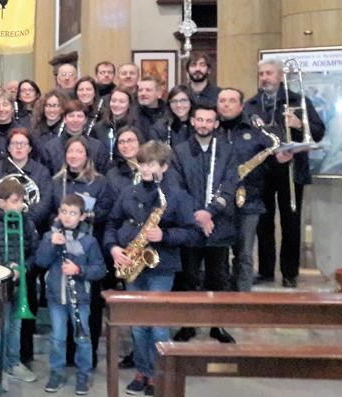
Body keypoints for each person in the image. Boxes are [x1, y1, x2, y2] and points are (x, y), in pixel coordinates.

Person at [104, 141, 197, 396]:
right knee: (137, 325)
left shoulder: (176, 196)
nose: (145, 169)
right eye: (143, 163)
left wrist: (164, 235)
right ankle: (142, 371)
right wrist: (113, 247)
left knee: (157, 325)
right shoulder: (128, 192)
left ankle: (159, 374)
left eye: (152, 164)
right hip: (132, 263)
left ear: (164, 167)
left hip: (161, 266)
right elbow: (112, 223)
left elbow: (192, 234)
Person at [244, 58, 325, 288]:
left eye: (269, 73)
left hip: (291, 169)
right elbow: (247, 138)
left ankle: (290, 272)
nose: (265, 78)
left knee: (291, 222)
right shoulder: (251, 105)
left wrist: (299, 125)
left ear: (280, 76)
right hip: (262, 171)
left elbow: (318, 132)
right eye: (261, 74)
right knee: (264, 223)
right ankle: (267, 270)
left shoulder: (298, 100)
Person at [170, 104, 238, 344]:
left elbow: (230, 185)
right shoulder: (178, 152)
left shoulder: (228, 150)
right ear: (192, 121)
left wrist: (210, 212)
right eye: (199, 120)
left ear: (216, 124)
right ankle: (187, 325)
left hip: (219, 225)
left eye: (209, 121)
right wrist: (196, 216)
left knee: (218, 278)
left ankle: (217, 325)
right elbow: (177, 189)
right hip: (190, 227)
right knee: (188, 277)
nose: (204, 125)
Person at [35, 193, 106, 395]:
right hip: (56, 298)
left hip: (80, 298)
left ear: (82, 216)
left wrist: (78, 270)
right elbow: (41, 262)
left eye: (73, 213)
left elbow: (99, 269)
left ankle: (83, 374)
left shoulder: (89, 241)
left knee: (82, 338)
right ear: (58, 213)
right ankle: (56, 372)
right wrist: (51, 245)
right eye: (64, 212)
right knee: (57, 338)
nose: (67, 217)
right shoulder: (50, 236)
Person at [0, 178, 39, 384]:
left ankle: (14, 363)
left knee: (16, 327)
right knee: (0, 329)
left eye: (21, 201)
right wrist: (5, 271)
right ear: (1, 203)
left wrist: (23, 268)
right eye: (13, 201)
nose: (19, 205)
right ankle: (0, 364)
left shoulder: (27, 223)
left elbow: (34, 253)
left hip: (19, 284)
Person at [218, 88, 274, 292]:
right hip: (219, 202)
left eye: (231, 101)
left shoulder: (257, 131)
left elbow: (270, 162)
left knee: (245, 255)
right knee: (219, 254)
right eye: (222, 100)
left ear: (241, 105)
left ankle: (243, 298)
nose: (226, 104)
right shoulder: (212, 129)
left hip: (249, 201)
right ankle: (222, 298)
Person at [44, 100, 110, 174]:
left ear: (85, 120)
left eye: (79, 116)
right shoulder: (50, 147)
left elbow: (102, 175)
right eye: (71, 116)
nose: (75, 120)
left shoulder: (97, 147)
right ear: (64, 119)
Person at [91, 89, 142, 165]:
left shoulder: (137, 127)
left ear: (129, 104)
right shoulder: (98, 128)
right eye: (113, 101)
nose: (116, 105)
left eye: (122, 102)